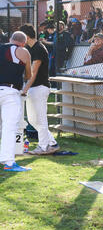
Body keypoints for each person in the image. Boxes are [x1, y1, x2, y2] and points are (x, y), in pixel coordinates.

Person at [19, 24, 60, 155]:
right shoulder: (28, 48)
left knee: (41, 119)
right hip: (32, 88)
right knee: (32, 120)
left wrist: (24, 89)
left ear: (27, 36)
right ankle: (52, 143)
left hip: (40, 87)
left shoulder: (39, 49)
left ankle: (43, 147)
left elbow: (33, 71)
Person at [0, 31, 32, 172]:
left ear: (10, 39)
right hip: (10, 91)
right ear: (23, 43)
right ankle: (9, 161)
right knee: (9, 127)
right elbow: (29, 75)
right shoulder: (23, 51)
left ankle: (5, 159)